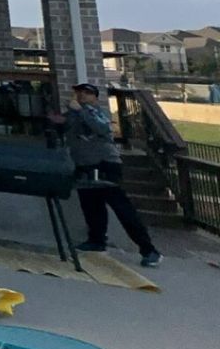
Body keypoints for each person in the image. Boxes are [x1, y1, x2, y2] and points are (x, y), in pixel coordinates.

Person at [48, 81, 161, 266]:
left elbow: (101, 128)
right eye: (78, 92)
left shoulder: (97, 112)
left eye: (87, 93)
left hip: (105, 164)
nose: (81, 96)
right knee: (91, 204)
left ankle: (148, 249)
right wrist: (55, 120)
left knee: (120, 206)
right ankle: (97, 240)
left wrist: (80, 111)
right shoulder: (74, 114)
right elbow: (64, 127)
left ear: (95, 97)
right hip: (84, 164)